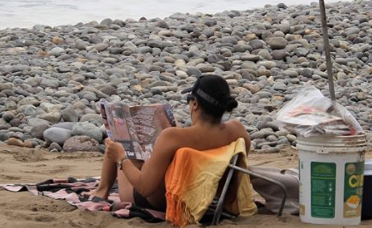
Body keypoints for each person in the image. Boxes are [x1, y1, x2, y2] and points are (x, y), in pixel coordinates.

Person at [88, 74, 251, 211]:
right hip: (209, 198)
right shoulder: (238, 131)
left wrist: (121, 158)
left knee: (117, 141)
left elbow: (145, 188)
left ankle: (102, 191)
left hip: (161, 202)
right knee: (142, 156)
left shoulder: (173, 137)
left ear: (195, 104)